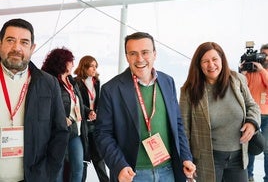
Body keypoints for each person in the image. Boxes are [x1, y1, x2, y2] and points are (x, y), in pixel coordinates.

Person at [94, 31, 196, 182]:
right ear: (127, 56)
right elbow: (103, 134)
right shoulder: (111, 89)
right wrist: (119, 165)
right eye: (133, 53)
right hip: (133, 174)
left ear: (154, 54)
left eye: (145, 52)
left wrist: (186, 157)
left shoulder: (168, 82)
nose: (140, 59)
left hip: (168, 171)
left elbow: (178, 125)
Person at [179, 41, 261, 182]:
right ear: (199, 65)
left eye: (215, 59)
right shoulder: (189, 91)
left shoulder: (238, 80)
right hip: (207, 159)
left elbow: (252, 106)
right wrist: (186, 159)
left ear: (222, 60)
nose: (211, 65)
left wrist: (252, 123)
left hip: (238, 158)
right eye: (205, 61)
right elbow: (184, 129)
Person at [0, 18, 69, 181]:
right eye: (10, 40)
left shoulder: (48, 83)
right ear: (0, 43)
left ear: (32, 48)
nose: (16, 48)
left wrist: (47, 173)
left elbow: (60, 132)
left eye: (24, 42)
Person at [41, 47, 89, 182]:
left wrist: (88, 111)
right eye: (70, 61)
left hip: (75, 132)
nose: (73, 64)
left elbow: (77, 104)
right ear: (62, 62)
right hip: (58, 133)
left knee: (78, 167)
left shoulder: (72, 81)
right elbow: (44, 107)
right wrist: (59, 118)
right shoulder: (50, 81)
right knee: (58, 169)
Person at [74, 55, 109, 182]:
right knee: (83, 158)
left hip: (94, 123)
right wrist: (88, 111)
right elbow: (76, 102)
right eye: (92, 66)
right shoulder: (76, 82)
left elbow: (98, 101)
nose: (94, 69)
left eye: (95, 66)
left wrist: (96, 113)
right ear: (84, 66)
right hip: (82, 123)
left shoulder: (97, 82)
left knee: (99, 157)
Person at [240, 44, 268, 182]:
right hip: (251, 114)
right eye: (263, 54)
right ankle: (249, 177)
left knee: (267, 148)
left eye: (267, 55)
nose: (265, 58)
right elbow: (241, 88)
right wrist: (242, 73)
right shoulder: (250, 71)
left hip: (267, 115)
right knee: (250, 146)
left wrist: (262, 70)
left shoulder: (264, 71)